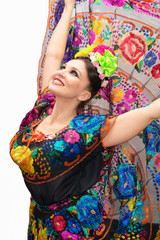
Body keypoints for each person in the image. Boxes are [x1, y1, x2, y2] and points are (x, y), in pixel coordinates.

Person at [10, 0, 160, 239]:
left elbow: (150, 112)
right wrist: (68, 8)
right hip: (37, 224)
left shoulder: (87, 131)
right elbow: (54, 55)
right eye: (65, 68)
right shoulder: (43, 107)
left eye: (73, 73)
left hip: (70, 231)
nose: (60, 72)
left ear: (84, 94)